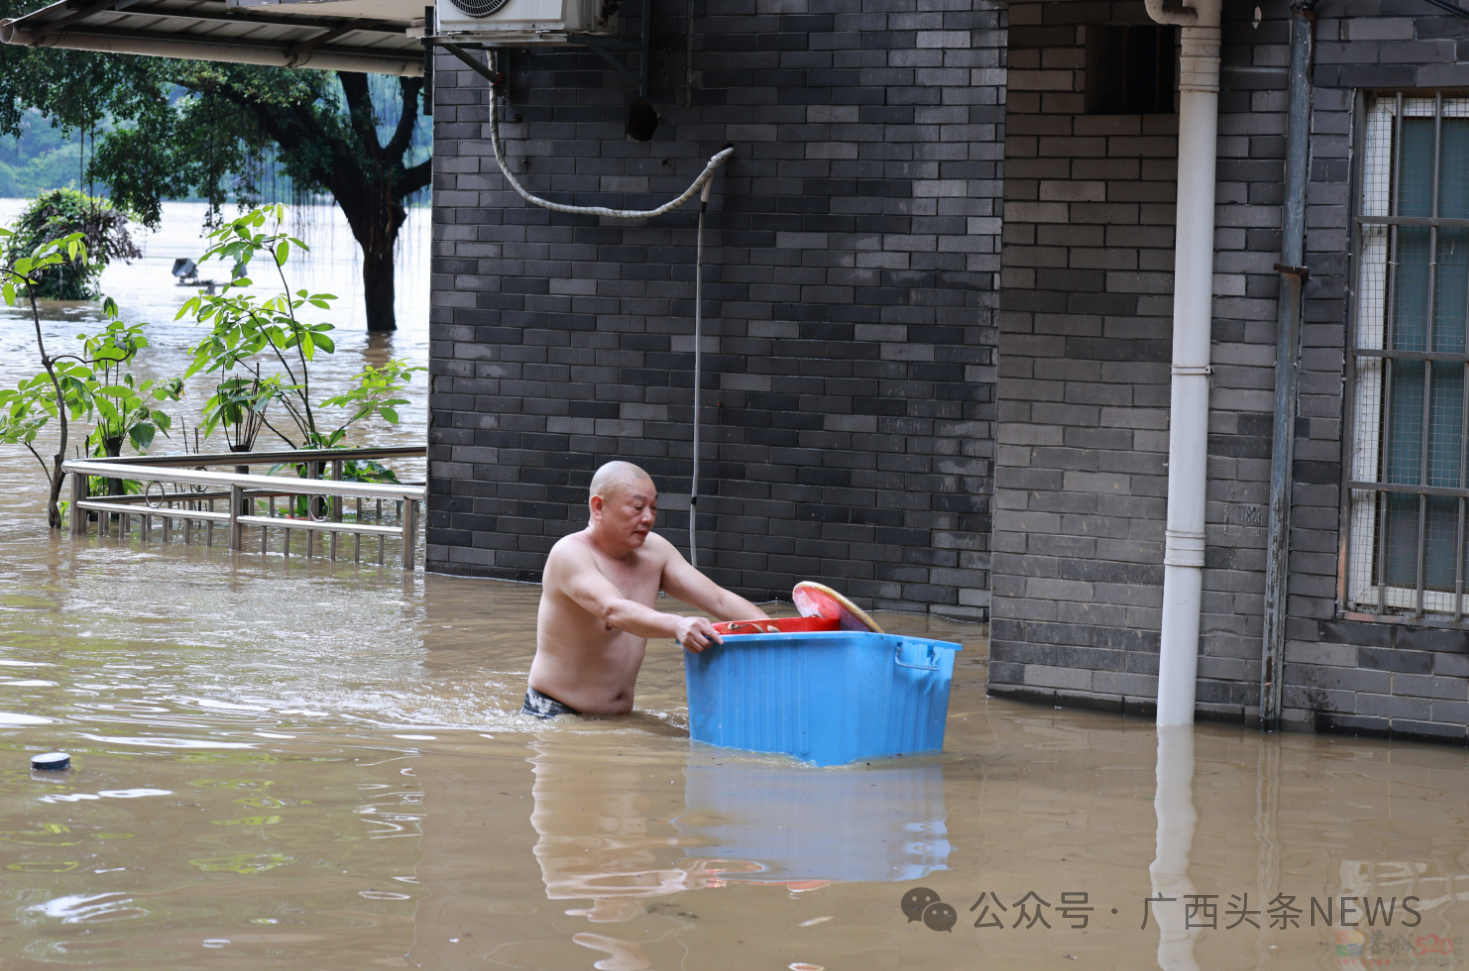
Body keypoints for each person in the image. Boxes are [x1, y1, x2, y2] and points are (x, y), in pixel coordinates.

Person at [525, 460, 770, 717]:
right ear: (598, 507)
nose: (648, 518)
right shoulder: (570, 554)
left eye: (653, 508)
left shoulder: (656, 551)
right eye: (637, 507)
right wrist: (677, 625)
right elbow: (613, 610)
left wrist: (777, 633)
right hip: (553, 715)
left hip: (619, 718)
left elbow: (719, 600)